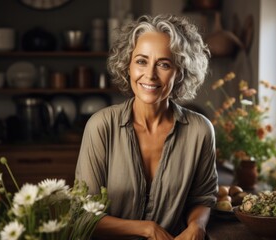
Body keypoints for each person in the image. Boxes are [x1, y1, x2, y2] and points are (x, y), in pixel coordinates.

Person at [75, 14, 218, 240]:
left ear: (179, 72)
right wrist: (146, 228)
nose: (150, 75)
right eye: (141, 61)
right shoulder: (101, 126)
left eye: (164, 64)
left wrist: (196, 226)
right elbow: (83, 214)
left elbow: (202, 197)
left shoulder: (200, 130)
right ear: (128, 66)